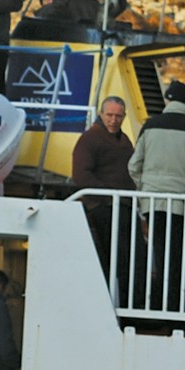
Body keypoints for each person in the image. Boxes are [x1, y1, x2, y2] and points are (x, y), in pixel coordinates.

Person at [128, 82, 185, 311]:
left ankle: (158, 310)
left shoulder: (149, 126)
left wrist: (146, 187)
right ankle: (184, 311)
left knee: (160, 256)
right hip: (182, 205)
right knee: (184, 258)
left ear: (167, 101)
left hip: (153, 204)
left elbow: (133, 165)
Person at [70, 94, 136, 289]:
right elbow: (81, 175)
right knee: (109, 258)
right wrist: (106, 196)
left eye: (118, 116)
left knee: (128, 259)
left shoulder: (124, 140)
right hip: (102, 208)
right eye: (109, 115)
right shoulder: (90, 139)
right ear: (101, 114)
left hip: (123, 207)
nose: (113, 120)